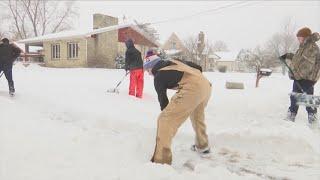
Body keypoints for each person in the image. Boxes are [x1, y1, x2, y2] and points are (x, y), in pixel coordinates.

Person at [144, 56, 212, 165]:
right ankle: (202, 145)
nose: (147, 73)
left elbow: (163, 102)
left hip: (193, 89)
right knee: (197, 116)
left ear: (152, 67)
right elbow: (198, 67)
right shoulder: (174, 62)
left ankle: (161, 160)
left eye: (147, 69)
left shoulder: (158, 76)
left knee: (165, 119)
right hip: (206, 85)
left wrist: (168, 114)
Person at [280, 27, 320, 126]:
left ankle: (313, 118)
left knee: (308, 99)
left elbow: (307, 65)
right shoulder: (303, 47)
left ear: (305, 37)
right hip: (299, 77)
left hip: (307, 78)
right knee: (294, 97)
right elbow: (298, 60)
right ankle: (291, 114)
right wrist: (288, 56)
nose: (298, 39)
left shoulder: (312, 48)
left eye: (299, 37)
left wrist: (296, 74)